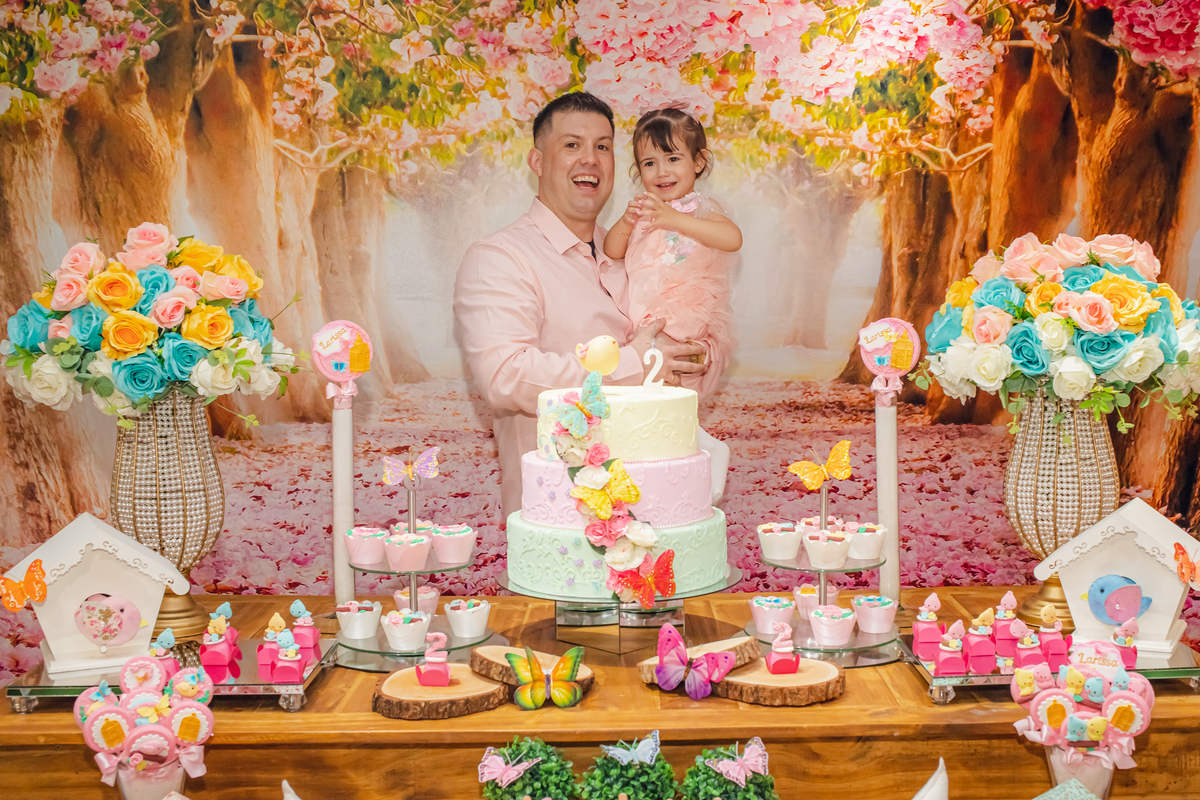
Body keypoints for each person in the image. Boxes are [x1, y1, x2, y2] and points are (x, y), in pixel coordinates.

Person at [453, 92, 707, 520]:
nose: (590, 159)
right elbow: (506, 376)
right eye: (572, 145)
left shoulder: (636, 247)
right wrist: (636, 363)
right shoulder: (499, 258)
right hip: (562, 520)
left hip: (659, 505)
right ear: (537, 161)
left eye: (602, 147)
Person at [603, 107, 741, 498]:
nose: (661, 171)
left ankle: (702, 453)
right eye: (649, 163)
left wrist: (674, 219)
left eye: (673, 158)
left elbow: (732, 239)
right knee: (656, 404)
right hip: (649, 323)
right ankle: (687, 459)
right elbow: (613, 250)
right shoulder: (644, 212)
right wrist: (627, 222)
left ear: (698, 162)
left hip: (687, 320)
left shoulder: (701, 208)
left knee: (665, 390)